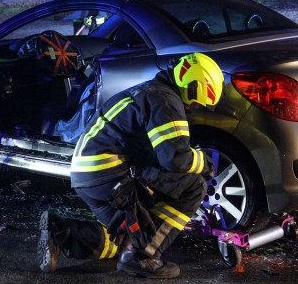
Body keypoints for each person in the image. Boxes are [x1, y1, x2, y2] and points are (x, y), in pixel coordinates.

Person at [39, 52, 223, 279]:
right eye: (196, 102)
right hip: (111, 174)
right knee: (195, 185)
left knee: (125, 240)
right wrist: (204, 162)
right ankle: (144, 257)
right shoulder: (167, 102)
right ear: (191, 88)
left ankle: (61, 232)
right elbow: (175, 158)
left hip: (89, 176)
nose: (194, 108)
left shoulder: (149, 91)